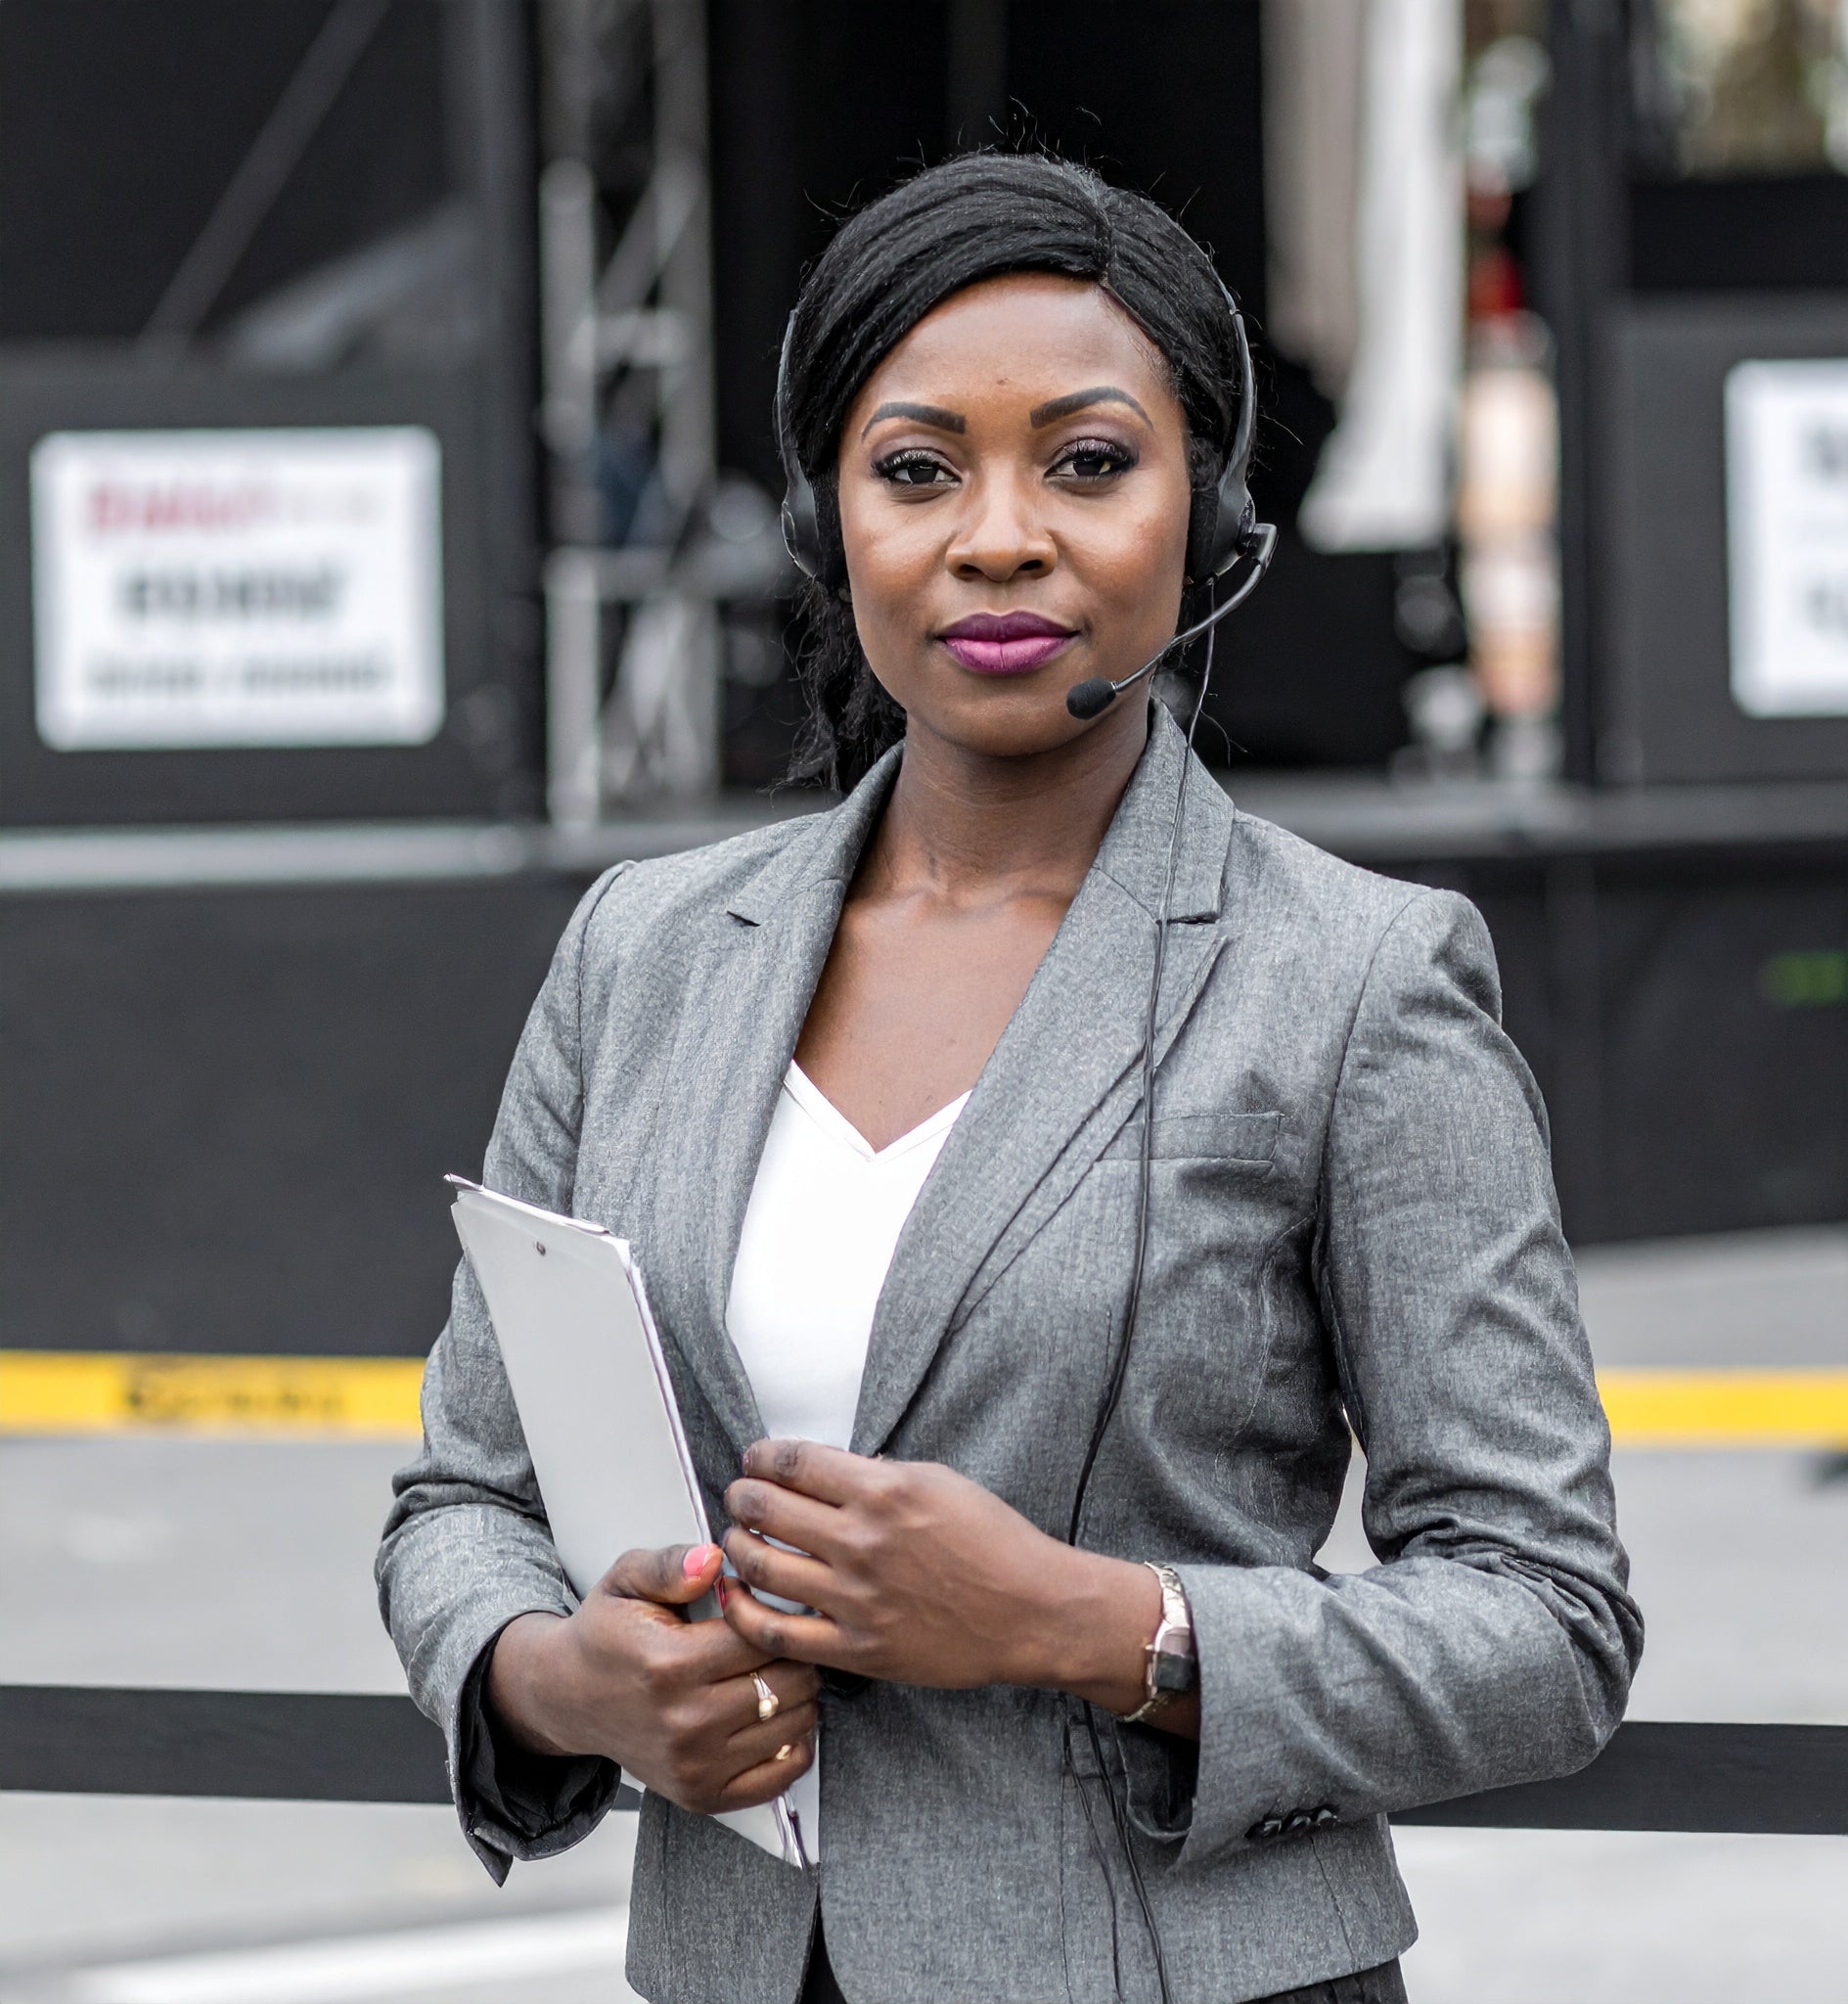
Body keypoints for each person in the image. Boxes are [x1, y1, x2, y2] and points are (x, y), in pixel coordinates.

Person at [378, 151, 1640, 2004]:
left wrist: (1095, 1625)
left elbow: (1550, 1623)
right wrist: (560, 1680)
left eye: (1089, 460)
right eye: (914, 468)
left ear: (1207, 517)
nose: (997, 536)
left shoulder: (1357, 982)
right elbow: (461, 1503)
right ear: (828, 521)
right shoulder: (643, 951)